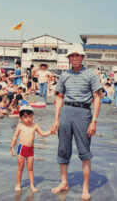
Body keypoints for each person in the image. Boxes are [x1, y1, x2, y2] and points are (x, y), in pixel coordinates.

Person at [50, 43, 102, 200]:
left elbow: (97, 98)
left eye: (77, 55)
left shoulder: (91, 74)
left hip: (84, 113)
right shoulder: (64, 75)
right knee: (63, 150)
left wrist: (94, 121)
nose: (74, 58)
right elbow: (59, 98)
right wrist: (56, 120)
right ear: (69, 58)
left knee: (84, 152)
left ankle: (85, 188)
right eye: (71, 56)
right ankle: (64, 182)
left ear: (82, 57)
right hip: (66, 111)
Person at [10, 104, 52, 192]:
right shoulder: (20, 126)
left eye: (30, 116)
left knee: (30, 168)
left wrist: (51, 132)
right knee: (20, 168)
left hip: (30, 150)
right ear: (21, 118)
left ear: (33, 115)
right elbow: (15, 137)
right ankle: (18, 184)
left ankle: (32, 185)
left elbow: (42, 134)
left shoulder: (34, 125)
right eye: (26, 117)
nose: (29, 119)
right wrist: (12, 146)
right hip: (22, 149)